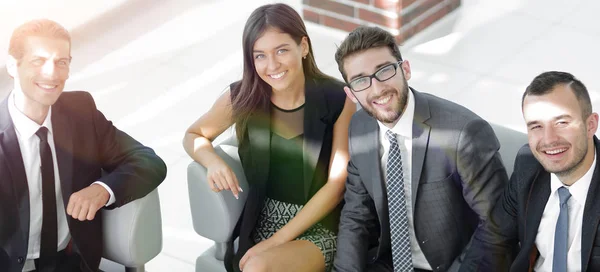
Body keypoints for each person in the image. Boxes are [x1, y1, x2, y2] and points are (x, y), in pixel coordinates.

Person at [183, 3, 354, 272]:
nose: (271, 65)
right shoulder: (243, 97)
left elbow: (336, 186)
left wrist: (276, 241)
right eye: (259, 55)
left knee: (257, 267)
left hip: (321, 225)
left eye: (282, 50)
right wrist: (213, 161)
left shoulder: (339, 99)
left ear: (304, 47)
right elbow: (193, 136)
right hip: (262, 221)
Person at [332, 26, 508, 272]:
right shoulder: (360, 128)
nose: (377, 89)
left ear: (405, 69)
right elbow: (356, 216)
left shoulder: (463, 133)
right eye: (361, 80)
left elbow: (496, 226)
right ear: (351, 93)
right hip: (388, 263)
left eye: (384, 70)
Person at [0, 19, 167, 272]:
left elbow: (148, 161)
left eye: (61, 62)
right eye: (38, 60)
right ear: (13, 65)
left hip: (74, 263)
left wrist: (102, 190)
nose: (52, 73)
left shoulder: (80, 112)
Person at [460, 71, 600, 272]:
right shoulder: (528, 165)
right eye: (536, 126)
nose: (549, 139)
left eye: (561, 122)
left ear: (590, 125)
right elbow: (492, 240)